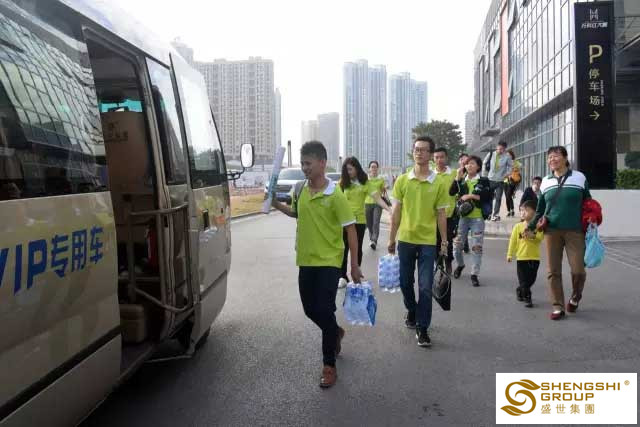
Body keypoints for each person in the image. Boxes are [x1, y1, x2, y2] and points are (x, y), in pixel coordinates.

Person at [270, 141, 363, 388]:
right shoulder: (300, 188)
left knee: (324, 309)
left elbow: (351, 230)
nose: (304, 168)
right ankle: (335, 331)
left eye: (308, 163)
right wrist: (275, 204)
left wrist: (354, 265)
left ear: (322, 163)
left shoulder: (336, 194)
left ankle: (328, 366)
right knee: (310, 310)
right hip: (306, 259)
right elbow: (295, 213)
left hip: (330, 262)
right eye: (302, 163)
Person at [388, 136, 448, 347]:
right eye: (416, 149)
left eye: (423, 150)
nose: (418, 152)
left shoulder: (438, 182)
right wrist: (391, 238)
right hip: (405, 239)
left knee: (425, 287)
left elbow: (441, 214)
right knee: (405, 283)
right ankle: (412, 310)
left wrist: (444, 241)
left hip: (427, 242)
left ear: (430, 155)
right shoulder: (403, 180)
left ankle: (423, 328)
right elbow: (396, 212)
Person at [523, 146, 592, 321]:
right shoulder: (546, 181)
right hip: (551, 230)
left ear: (565, 158)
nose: (552, 160)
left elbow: (588, 203)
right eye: (549, 157)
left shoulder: (579, 177)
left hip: (575, 230)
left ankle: (575, 297)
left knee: (578, 270)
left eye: (555, 156)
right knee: (553, 270)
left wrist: (592, 218)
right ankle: (557, 306)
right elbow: (540, 209)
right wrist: (530, 227)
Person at [338, 157, 390, 287]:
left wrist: (390, 209)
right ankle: (342, 276)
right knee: (343, 248)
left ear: (357, 168)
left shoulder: (365, 183)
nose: (348, 172)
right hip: (344, 221)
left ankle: (356, 272)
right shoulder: (343, 182)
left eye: (350, 169)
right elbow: (336, 200)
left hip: (359, 221)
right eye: (346, 170)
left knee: (356, 248)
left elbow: (378, 198)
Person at [450, 155, 491, 287]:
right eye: (467, 163)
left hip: (477, 219)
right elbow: (451, 192)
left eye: (472, 163)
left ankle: (474, 274)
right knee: (457, 246)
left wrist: (470, 195)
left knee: (476, 247)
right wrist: (457, 177)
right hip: (462, 218)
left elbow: (487, 196)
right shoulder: (462, 180)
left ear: (478, 166)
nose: (469, 165)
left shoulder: (483, 180)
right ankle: (460, 265)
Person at [507, 200, 544, 308]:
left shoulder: (538, 225)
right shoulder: (518, 226)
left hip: (534, 258)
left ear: (534, 212)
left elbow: (540, 238)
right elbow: (513, 241)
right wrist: (510, 254)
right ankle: (528, 298)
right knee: (523, 280)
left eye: (526, 210)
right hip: (521, 258)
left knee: (531, 280)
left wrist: (533, 236)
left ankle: (520, 290)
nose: (523, 213)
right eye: (521, 210)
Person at [434, 147, 457, 274]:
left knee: (448, 241)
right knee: (435, 241)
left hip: (449, 215)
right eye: (436, 157)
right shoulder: (431, 175)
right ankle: (439, 265)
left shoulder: (453, 173)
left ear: (446, 158)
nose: (439, 160)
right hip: (434, 215)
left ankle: (448, 263)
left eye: (441, 157)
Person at [482, 140, 513, 221]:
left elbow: (510, 166)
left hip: (500, 181)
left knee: (498, 198)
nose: (500, 150)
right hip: (490, 179)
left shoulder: (507, 157)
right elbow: (484, 163)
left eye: (502, 149)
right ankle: (489, 213)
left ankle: (495, 214)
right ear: (497, 147)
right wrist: (484, 175)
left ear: (505, 149)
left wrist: (507, 174)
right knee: (489, 198)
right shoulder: (491, 154)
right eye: (499, 148)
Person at [364, 160, 388, 251]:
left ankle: (374, 240)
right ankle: (371, 238)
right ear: (369, 169)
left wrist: (384, 188)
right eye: (372, 167)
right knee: (369, 223)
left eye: (375, 167)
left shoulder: (381, 179)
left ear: (378, 168)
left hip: (378, 204)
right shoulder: (365, 180)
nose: (374, 168)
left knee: (376, 222)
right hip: (367, 203)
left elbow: (383, 190)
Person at [457, 153, 471, 254]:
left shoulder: (470, 174)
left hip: (468, 202)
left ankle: (464, 244)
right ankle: (464, 244)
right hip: (457, 202)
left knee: (464, 224)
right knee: (460, 224)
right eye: (462, 159)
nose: (463, 161)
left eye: (466, 160)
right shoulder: (456, 173)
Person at [504, 149, 521, 217]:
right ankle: (509, 211)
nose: (508, 156)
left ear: (512, 155)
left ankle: (512, 210)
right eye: (507, 155)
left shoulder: (515, 162)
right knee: (507, 197)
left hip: (512, 181)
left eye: (509, 155)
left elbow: (520, 166)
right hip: (505, 181)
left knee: (508, 195)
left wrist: (514, 167)